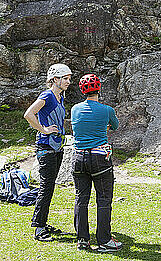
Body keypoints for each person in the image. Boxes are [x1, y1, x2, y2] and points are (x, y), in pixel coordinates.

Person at [70, 74, 121, 252]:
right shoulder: (107, 110)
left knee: (81, 198)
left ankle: (83, 240)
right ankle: (104, 241)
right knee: (104, 199)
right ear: (99, 89)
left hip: (78, 158)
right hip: (99, 159)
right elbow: (115, 126)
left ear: (82, 90)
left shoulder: (75, 109)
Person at [23, 63, 72, 242]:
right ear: (55, 79)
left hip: (56, 147)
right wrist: (44, 130)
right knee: (46, 187)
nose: (68, 81)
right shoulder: (47, 95)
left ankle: (42, 222)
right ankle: (39, 228)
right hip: (46, 147)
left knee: (49, 188)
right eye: (65, 78)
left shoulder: (60, 97)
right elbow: (29, 114)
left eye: (69, 78)